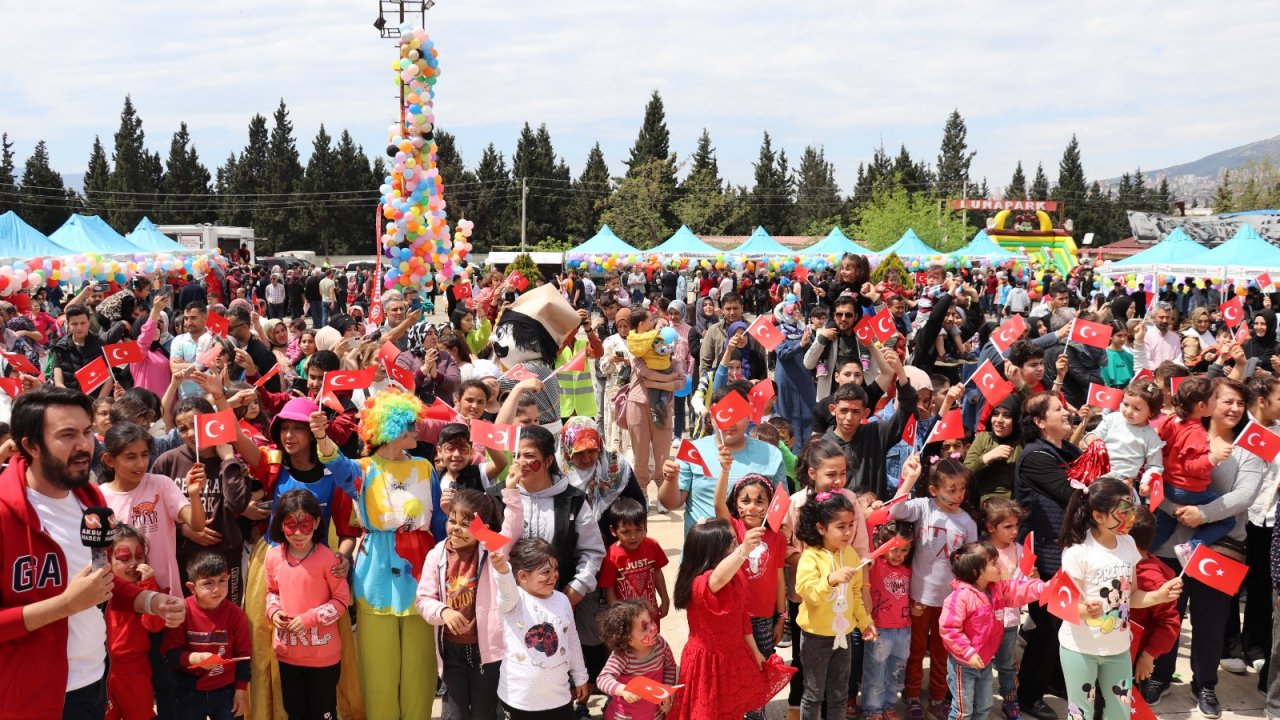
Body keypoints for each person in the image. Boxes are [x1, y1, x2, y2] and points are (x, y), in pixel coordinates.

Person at [316, 388, 443, 720]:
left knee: (420, 670)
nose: (417, 431)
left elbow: (440, 523)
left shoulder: (425, 468)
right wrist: (321, 436)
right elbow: (337, 464)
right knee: (378, 673)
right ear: (392, 428)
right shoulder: (362, 469)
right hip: (375, 575)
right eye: (410, 425)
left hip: (421, 573)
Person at [1148, 378, 1262, 716]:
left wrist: (1204, 513)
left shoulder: (1250, 447)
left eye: (1240, 404)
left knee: (1212, 622)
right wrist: (1176, 510)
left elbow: (1245, 495)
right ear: (1207, 402)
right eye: (1226, 401)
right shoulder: (1181, 431)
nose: (1234, 409)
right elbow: (1158, 476)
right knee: (1166, 614)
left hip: (1221, 549)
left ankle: (1206, 684)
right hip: (1170, 545)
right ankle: (1159, 676)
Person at [1057, 478, 1182, 720]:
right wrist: (1083, 611)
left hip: (1119, 649)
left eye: (1131, 509)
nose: (1132, 517)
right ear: (1099, 516)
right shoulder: (1078, 552)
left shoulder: (1128, 544)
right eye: (1124, 511)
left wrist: (1159, 595)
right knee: (1080, 712)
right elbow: (1064, 605)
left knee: (1120, 713)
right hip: (1080, 648)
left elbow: (1131, 595)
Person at [668, 518, 795, 720]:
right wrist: (743, 550)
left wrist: (755, 652)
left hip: (733, 658)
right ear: (713, 550)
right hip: (706, 664)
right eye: (733, 542)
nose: (738, 544)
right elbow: (716, 578)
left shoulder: (734, 579)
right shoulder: (699, 584)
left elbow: (742, 619)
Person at [416, 486, 523, 720]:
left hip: (487, 652)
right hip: (451, 651)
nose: (456, 528)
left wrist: (511, 492)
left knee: (484, 713)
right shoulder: (436, 554)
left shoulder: (491, 549)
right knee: (455, 713)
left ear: (481, 528)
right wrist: (443, 612)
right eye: (452, 520)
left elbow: (513, 528)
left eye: (466, 525)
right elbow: (423, 599)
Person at [888, 458, 979, 720]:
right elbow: (895, 512)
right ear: (933, 490)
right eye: (951, 489)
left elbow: (971, 561)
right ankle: (913, 694)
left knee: (942, 652)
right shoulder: (923, 508)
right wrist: (909, 479)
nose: (958, 495)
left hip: (950, 603)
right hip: (919, 597)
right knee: (915, 651)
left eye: (961, 489)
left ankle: (938, 696)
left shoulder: (967, 522)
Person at [1014, 392, 1080, 720]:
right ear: (1040, 422)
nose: (1066, 413)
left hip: (1065, 551)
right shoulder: (1036, 456)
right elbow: (1074, 494)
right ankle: (1028, 695)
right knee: (1050, 625)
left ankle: (1052, 679)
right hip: (1045, 555)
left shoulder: (1063, 450)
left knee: (1058, 624)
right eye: (1058, 410)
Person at [263, 490, 349, 720]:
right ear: (280, 525)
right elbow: (271, 592)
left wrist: (310, 619)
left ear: (318, 522)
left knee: (323, 713)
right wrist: (274, 611)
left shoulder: (327, 557)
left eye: (306, 525)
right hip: (287, 654)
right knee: (295, 712)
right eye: (291, 525)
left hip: (323, 656)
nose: (298, 533)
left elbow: (341, 600)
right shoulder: (273, 557)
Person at [711, 464, 786, 720]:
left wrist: (781, 618)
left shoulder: (777, 537)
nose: (752, 506)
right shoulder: (732, 528)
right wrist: (724, 470)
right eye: (745, 500)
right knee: (735, 669)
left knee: (760, 665)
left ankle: (756, 712)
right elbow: (718, 504)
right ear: (737, 503)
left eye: (759, 500)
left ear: (769, 505)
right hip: (734, 615)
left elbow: (778, 580)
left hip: (763, 618)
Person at [659, 384, 787, 533]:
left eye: (737, 414)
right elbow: (671, 503)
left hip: (754, 551)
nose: (730, 423)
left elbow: (781, 508)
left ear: (748, 415)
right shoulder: (692, 451)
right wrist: (670, 479)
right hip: (703, 551)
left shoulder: (771, 454)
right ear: (712, 417)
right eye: (723, 414)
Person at [938, 541, 1044, 720]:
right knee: (963, 711)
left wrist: (1044, 588)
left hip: (985, 662)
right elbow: (949, 630)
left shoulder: (997, 589)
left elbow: (1020, 589)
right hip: (964, 665)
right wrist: (968, 652)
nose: (1000, 566)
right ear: (976, 572)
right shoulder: (960, 597)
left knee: (984, 705)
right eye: (994, 563)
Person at [795, 490, 876, 720]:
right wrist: (831, 580)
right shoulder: (810, 557)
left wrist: (865, 622)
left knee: (839, 694)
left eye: (851, 525)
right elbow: (808, 593)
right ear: (821, 528)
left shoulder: (850, 554)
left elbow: (855, 595)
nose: (848, 532)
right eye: (841, 526)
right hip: (815, 638)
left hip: (844, 635)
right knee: (813, 694)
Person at [492, 538, 590, 719]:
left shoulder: (562, 600)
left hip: (559, 699)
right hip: (518, 700)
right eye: (546, 571)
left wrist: (580, 676)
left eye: (555, 569)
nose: (554, 576)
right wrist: (502, 571)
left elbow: (572, 641)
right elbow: (506, 589)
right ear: (522, 576)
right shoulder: (514, 601)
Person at [162, 553, 252, 720]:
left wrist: (241, 690)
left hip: (226, 691)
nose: (217, 589)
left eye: (221, 580)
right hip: (188, 691)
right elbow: (170, 653)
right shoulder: (183, 611)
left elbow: (244, 656)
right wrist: (195, 658)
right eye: (208, 583)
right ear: (191, 587)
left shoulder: (236, 614)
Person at [105, 524, 181, 720]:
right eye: (123, 558)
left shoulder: (148, 592)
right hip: (101, 670)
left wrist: (148, 584)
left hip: (135, 670)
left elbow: (154, 625)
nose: (133, 563)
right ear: (108, 560)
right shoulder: (99, 590)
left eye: (139, 557)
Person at [1151, 377, 1233, 552]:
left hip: (1169, 485)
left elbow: (1160, 438)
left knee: (1162, 528)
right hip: (1188, 490)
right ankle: (1191, 547)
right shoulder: (1196, 432)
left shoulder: (1173, 420)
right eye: (1214, 398)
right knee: (1228, 521)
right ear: (1201, 406)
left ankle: (1142, 555)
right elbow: (1192, 467)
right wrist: (1214, 457)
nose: (1217, 402)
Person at [980, 497, 1032, 720]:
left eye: (1016, 526)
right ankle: (979, 700)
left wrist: (1031, 579)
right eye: (1008, 526)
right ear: (991, 527)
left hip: (1010, 620)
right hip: (983, 622)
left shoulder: (1020, 551)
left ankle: (1010, 700)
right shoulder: (980, 550)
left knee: (1007, 664)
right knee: (980, 664)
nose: (1014, 531)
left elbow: (1023, 581)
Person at [860, 522, 913, 720]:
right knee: (875, 672)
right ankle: (872, 709)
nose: (898, 555)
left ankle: (889, 704)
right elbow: (866, 544)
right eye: (894, 549)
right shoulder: (874, 565)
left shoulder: (908, 571)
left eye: (904, 550)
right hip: (880, 629)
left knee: (897, 671)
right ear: (882, 546)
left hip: (904, 630)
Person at [595, 599, 679, 720]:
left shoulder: (661, 644)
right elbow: (603, 679)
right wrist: (623, 690)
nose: (653, 628)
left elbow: (670, 667)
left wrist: (666, 691)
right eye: (645, 627)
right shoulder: (623, 655)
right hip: (625, 716)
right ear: (628, 638)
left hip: (655, 714)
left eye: (651, 622)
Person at [1086, 379, 1164, 490]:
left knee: (1119, 507)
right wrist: (1091, 437)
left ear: (1151, 412)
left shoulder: (1151, 438)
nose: (1128, 411)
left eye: (1136, 408)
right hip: (1097, 475)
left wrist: (1147, 483)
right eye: (1126, 404)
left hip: (1123, 484)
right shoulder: (1112, 419)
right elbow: (1098, 433)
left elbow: (1155, 466)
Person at [599, 498, 670, 619]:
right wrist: (619, 615)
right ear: (613, 531)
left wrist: (665, 598)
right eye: (626, 532)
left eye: (638, 530)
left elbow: (657, 572)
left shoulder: (652, 546)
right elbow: (609, 590)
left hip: (650, 613)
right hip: (627, 618)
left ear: (645, 527)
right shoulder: (611, 556)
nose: (633, 537)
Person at [964, 395, 1022, 505]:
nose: (999, 420)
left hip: (1017, 505)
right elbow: (965, 473)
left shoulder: (1022, 442)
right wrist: (987, 457)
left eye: (1007, 415)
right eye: (995, 414)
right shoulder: (983, 438)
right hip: (988, 504)